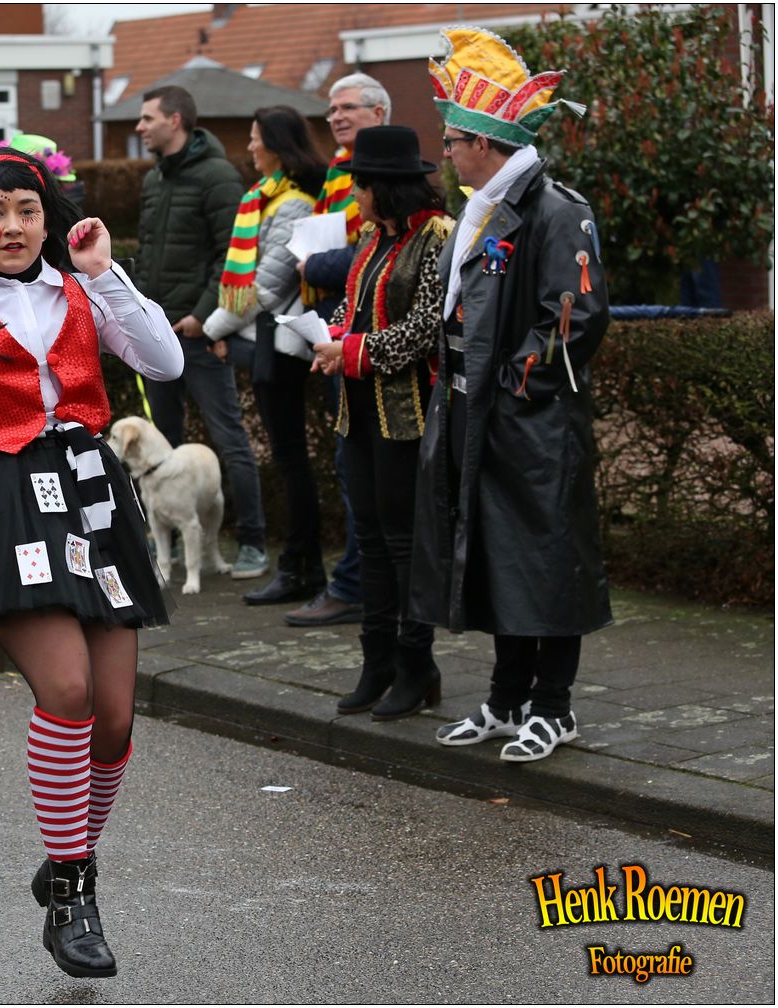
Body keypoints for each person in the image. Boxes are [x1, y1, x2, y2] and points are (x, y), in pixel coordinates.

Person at [0, 146, 182, 979]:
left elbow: (165, 361)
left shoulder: (83, 288)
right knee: (69, 691)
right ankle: (74, 896)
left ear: (49, 219)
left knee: (114, 718)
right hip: (1, 500)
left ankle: (65, 855)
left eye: (26, 210)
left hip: (92, 494)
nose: (11, 227)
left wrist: (106, 272)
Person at [414, 27, 611, 762]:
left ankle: (553, 707)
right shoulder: (486, 207)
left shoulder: (556, 210)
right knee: (496, 557)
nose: (446, 151)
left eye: (452, 140)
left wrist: (510, 384)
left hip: (531, 421)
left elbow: (575, 317)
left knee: (546, 561)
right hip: (480, 412)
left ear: (482, 143)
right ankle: (505, 699)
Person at [309, 125, 452, 720]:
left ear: (386, 188)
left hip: (407, 414)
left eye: (360, 185)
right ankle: (379, 661)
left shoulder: (438, 237)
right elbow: (352, 304)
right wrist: (328, 336)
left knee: (402, 544)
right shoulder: (371, 236)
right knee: (368, 538)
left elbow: (426, 327)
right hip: (359, 410)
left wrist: (351, 350)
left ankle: (417, 664)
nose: (354, 195)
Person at [133, 85, 268, 580]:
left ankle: (252, 543)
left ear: (175, 120)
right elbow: (147, 253)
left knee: (229, 437)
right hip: (156, 335)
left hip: (197, 334)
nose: (140, 127)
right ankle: (164, 550)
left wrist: (203, 316)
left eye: (148, 119)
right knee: (161, 445)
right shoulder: (154, 179)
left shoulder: (217, 177)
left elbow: (232, 255)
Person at [196, 106, 328, 604]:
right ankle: (301, 565)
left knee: (292, 460)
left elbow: (266, 286)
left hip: (281, 344)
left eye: (255, 138)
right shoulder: (267, 197)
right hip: (269, 340)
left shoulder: (289, 204)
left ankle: (301, 567)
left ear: (276, 144)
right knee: (289, 457)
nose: (249, 147)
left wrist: (212, 328)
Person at [283, 73, 393, 629]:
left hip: (367, 340)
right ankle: (359, 583)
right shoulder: (337, 171)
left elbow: (371, 253)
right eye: (330, 110)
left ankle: (357, 586)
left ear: (379, 113)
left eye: (347, 107)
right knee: (351, 465)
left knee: (362, 468)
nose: (335, 117)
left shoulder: (389, 173)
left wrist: (315, 266)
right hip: (335, 329)